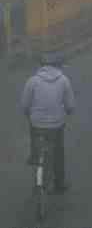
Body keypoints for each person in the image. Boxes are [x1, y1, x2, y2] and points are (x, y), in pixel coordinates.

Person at [21, 53, 75, 193]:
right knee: (58, 152)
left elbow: (25, 105)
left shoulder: (32, 81)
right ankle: (59, 184)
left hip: (37, 124)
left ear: (42, 66)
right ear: (58, 66)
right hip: (56, 124)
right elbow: (70, 106)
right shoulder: (64, 80)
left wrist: (28, 114)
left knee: (34, 132)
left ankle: (34, 155)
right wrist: (67, 111)